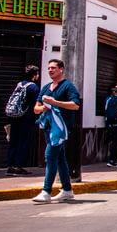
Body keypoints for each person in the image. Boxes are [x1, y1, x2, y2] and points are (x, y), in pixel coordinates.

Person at [32, 59, 82, 203]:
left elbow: (75, 105)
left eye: (53, 68)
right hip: (48, 126)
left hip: (61, 128)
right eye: (48, 68)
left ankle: (46, 191)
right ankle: (67, 189)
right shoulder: (46, 87)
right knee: (59, 158)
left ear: (61, 69)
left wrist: (55, 103)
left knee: (50, 156)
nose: (50, 70)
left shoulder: (68, 86)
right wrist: (44, 108)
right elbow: (36, 108)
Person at [5, 65, 40, 175]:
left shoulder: (19, 84)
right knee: (23, 142)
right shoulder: (33, 87)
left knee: (13, 141)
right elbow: (36, 103)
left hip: (14, 117)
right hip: (26, 118)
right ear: (35, 76)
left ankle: (10, 166)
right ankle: (18, 166)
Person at [103, 84, 117, 168]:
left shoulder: (108, 99)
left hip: (110, 124)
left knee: (114, 142)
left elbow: (105, 110)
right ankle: (113, 160)